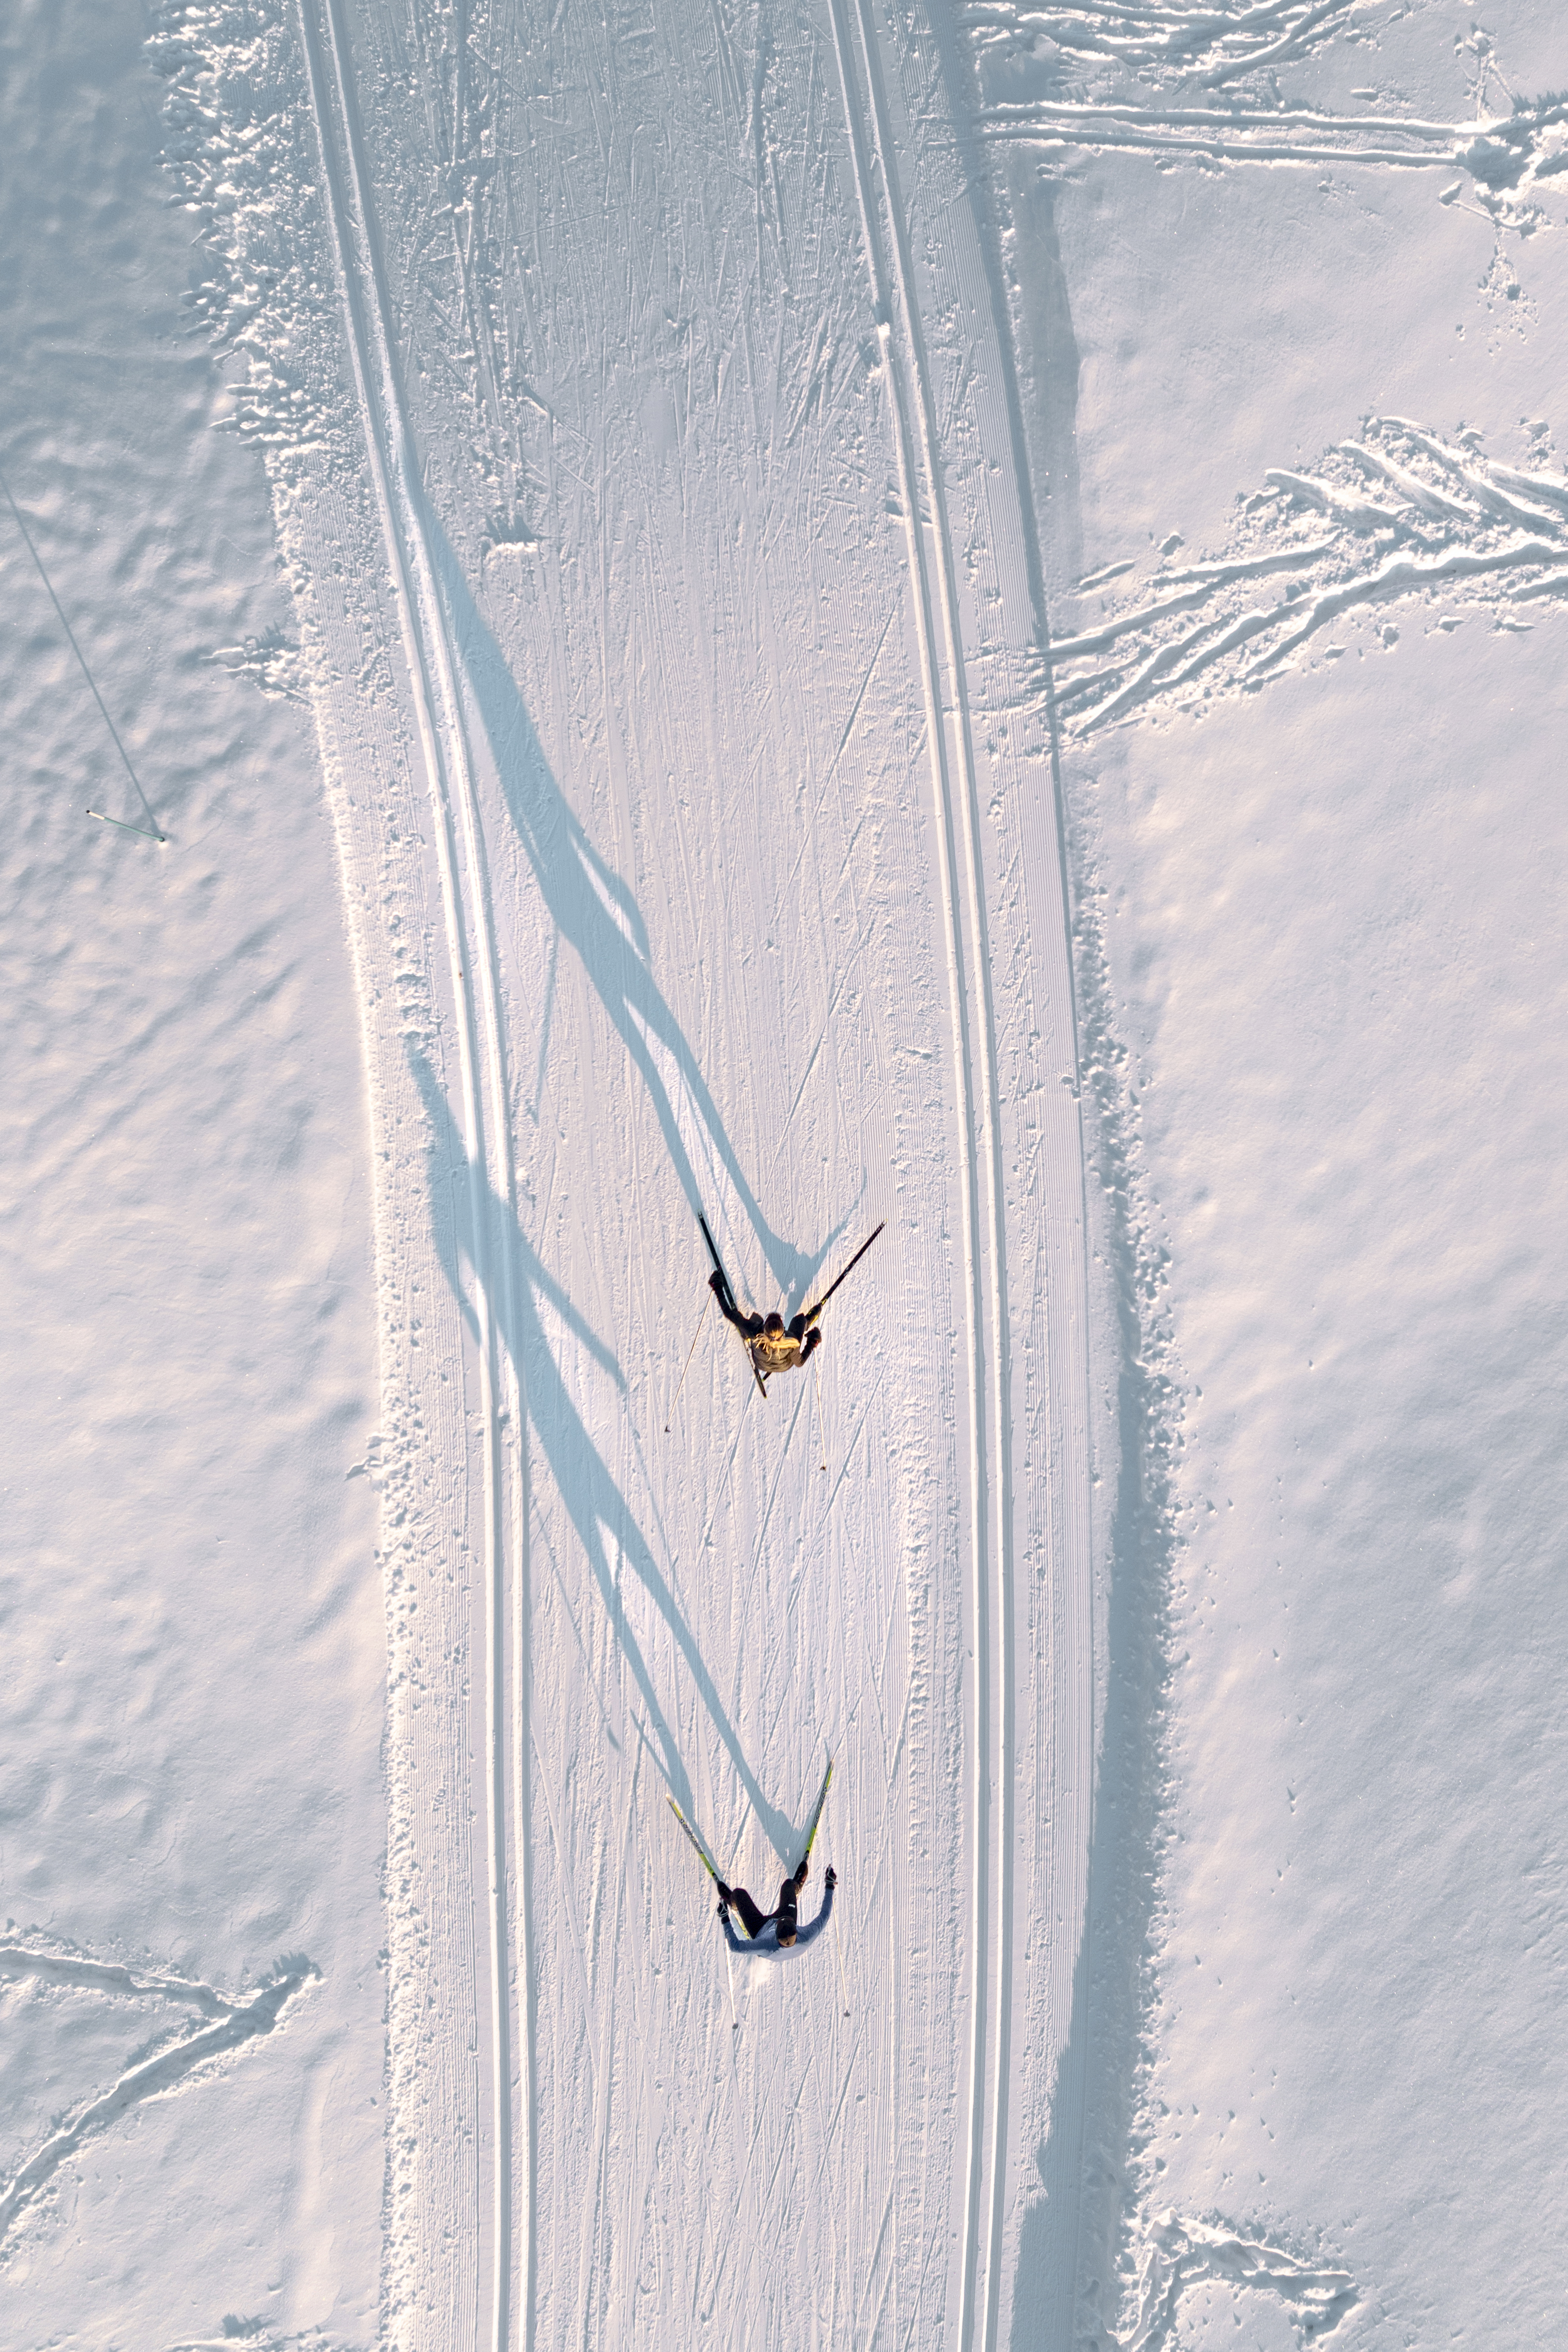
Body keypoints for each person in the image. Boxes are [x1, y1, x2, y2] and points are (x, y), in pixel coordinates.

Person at [709, 1270, 822, 1384]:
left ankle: (745, 1333)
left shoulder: (756, 1332)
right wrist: (812, 1343)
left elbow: (729, 1314)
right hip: (783, 1366)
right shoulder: (791, 1342)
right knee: (800, 1321)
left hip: (761, 1364)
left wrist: (717, 1287)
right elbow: (800, 1363)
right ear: (783, 1330)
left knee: (755, 1320)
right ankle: (811, 1318)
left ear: (765, 1328)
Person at [715, 1855, 836, 1952]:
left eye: (779, 1922)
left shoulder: (765, 1945)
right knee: (788, 1885)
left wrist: (725, 1918)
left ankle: (733, 1902)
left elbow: (736, 1947)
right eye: (786, 1920)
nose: (778, 1920)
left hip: (760, 1929)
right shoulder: (806, 1936)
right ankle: (796, 1887)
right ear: (796, 1929)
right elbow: (824, 1916)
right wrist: (830, 1885)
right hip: (785, 1920)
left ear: (775, 1934)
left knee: (739, 1894)